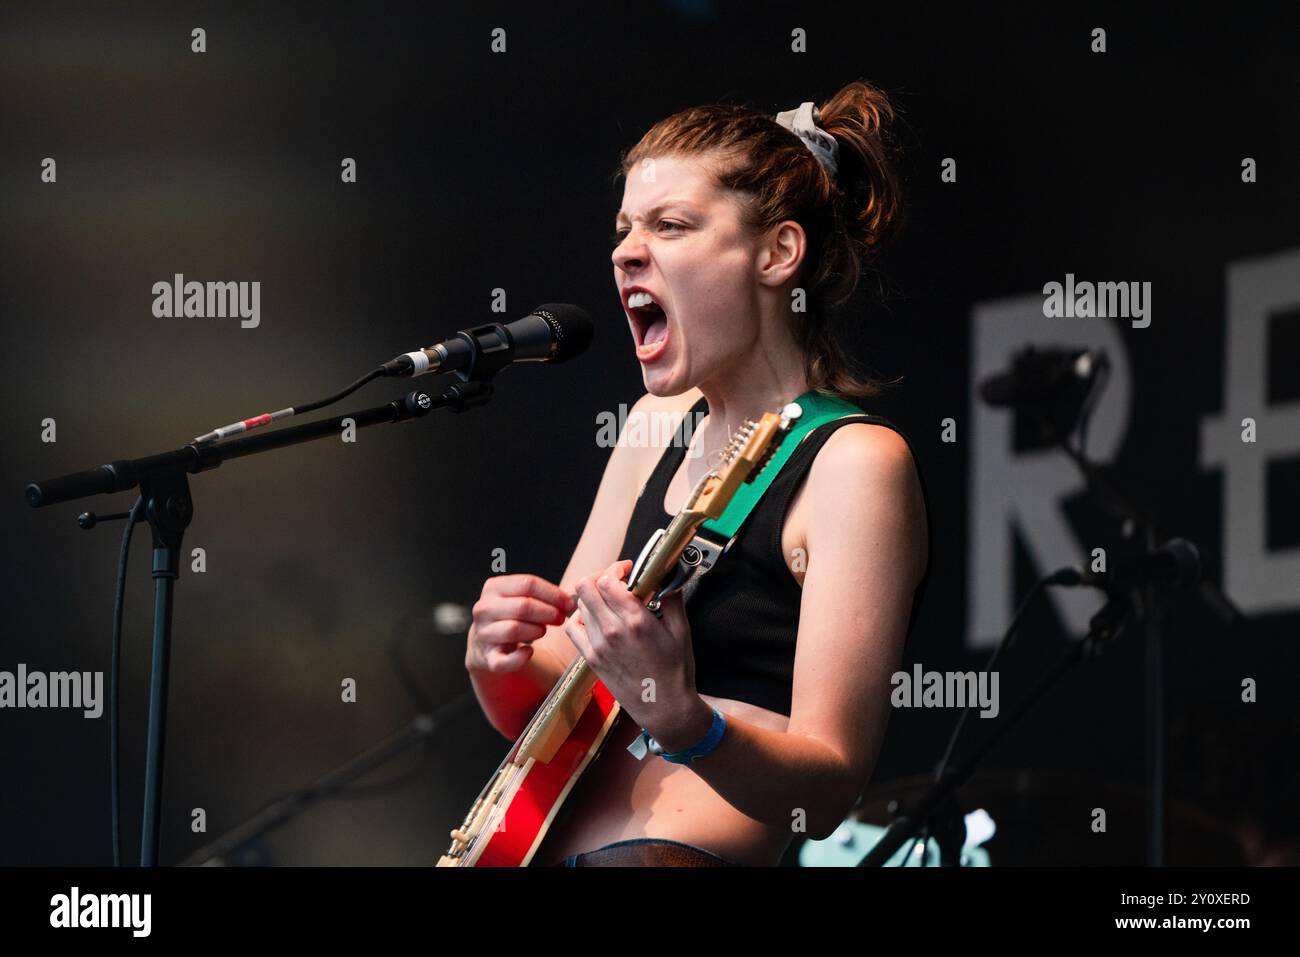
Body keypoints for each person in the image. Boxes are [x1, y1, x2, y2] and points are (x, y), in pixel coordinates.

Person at [463, 80, 931, 866]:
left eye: (671, 225)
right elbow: (564, 698)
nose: (625, 251)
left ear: (779, 253)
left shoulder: (855, 462)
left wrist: (683, 720)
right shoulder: (652, 426)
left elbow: (824, 795)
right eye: (625, 230)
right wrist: (498, 664)